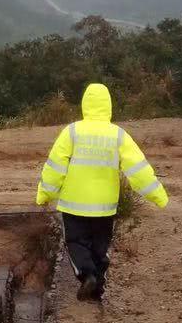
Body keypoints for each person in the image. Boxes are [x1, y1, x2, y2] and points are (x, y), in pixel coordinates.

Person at [36, 83, 168, 301]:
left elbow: (54, 168)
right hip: (105, 208)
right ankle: (98, 285)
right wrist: (159, 196)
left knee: (76, 242)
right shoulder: (118, 135)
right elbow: (138, 170)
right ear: (108, 106)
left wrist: (44, 195)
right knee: (101, 245)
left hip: (74, 205)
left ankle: (87, 275)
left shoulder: (72, 132)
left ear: (85, 105)